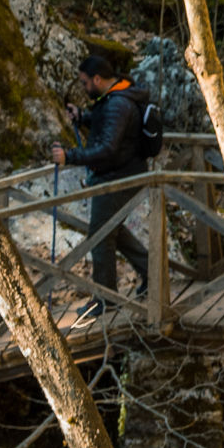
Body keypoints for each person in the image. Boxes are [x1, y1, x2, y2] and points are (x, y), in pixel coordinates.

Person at [51, 53, 153, 315]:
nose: (85, 88)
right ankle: (152, 274)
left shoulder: (118, 103)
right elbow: (109, 126)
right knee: (112, 230)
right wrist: (84, 117)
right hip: (122, 173)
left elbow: (108, 147)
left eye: (86, 83)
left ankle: (106, 299)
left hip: (118, 177)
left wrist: (69, 156)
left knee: (101, 234)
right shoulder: (116, 96)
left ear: (97, 79)